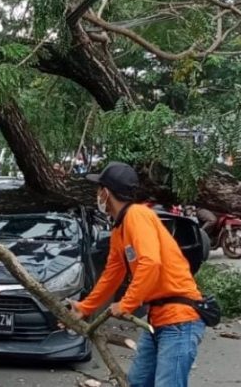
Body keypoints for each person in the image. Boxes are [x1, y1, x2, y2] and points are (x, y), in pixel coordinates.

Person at [69, 162, 205, 387]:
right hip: (158, 319)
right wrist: (85, 307)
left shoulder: (137, 215)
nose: (97, 195)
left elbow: (150, 263)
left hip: (179, 320)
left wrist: (126, 304)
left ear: (106, 192)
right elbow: (112, 273)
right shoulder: (120, 228)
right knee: (138, 382)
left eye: (99, 189)